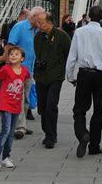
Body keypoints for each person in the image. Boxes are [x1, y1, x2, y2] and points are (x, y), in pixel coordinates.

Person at [66, 5, 102, 158]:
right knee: (98, 110)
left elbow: (72, 56)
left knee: (79, 109)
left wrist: (70, 76)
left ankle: (82, 134)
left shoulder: (79, 32)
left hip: (84, 74)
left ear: (88, 17)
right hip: (99, 75)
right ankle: (94, 145)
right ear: (101, 17)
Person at [34, 12, 71, 148]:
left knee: (51, 105)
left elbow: (69, 55)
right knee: (42, 106)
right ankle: (47, 131)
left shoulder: (62, 37)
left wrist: (67, 71)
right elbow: (37, 52)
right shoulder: (38, 37)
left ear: (49, 22)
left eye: (41, 22)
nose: (38, 25)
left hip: (56, 76)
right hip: (40, 76)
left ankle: (51, 136)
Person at [7, 5, 45, 138]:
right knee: (19, 98)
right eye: (40, 20)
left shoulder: (37, 31)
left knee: (26, 99)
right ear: (33, 17)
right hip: (18, 69)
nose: (41, 23)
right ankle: (20, 127)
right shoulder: (20, 27)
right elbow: (10, 46)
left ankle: (20, 125)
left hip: (30, 70)